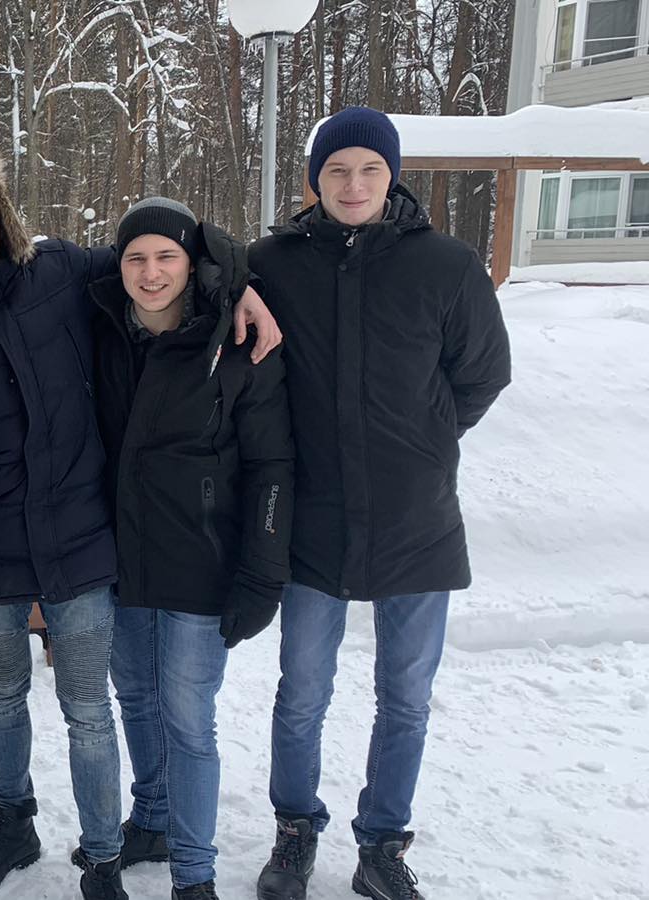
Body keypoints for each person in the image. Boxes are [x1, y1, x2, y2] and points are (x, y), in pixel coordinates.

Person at [0, 139, 282, 900]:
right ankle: (12, 826)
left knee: (88, 708)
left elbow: (160, 251)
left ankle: (103, 858)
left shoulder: (61, 272)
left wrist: (238, 283)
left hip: (81, 537)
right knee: (3, 695)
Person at [246, 107, 511, 900]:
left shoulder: (447, 265)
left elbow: (483, 373)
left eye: (369, 169)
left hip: (415, 519)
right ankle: (295, 830)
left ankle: (382, 846)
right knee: (302, 692)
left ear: (392, 176)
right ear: (314, 181)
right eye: (336, 170)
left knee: (406, 697)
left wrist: (425, 438)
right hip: (313, 520)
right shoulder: (273, 264)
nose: (353, 184)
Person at [87, 199, 294, 900]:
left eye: (167, 257)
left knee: (188, 720)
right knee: (135, 697)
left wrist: (262, 574)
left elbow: (272, 467)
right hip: (121, 559)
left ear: (191, 262)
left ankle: (194, 874)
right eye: (136, 258)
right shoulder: (102, 328)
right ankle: (151, 817)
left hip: (203, 563)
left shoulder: (235, 340)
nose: (151, 273)